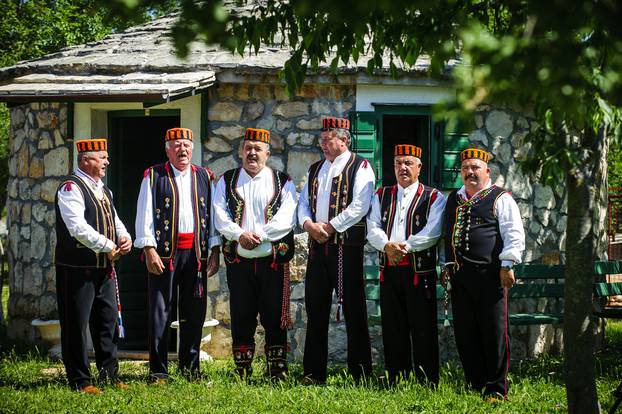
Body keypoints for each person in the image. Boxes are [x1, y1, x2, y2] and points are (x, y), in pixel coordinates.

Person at [134, 127, 220, 383]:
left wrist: (214, 250)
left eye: (186, 145)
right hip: (164, 255)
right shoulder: (153, 176)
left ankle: (191, 369)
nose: (182, 150)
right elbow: (144, 215)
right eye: (176, 145)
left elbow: (212, 219)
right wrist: (148, 249)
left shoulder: (205, 176)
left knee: (194, 312)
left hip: (196, 255)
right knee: (160, 312)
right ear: (167, 150)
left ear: (193, 149)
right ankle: (159, 371)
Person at [213, 128, 297, 380]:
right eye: (247, 148)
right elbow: (219, 214)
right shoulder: (226, 180)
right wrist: (239, 235)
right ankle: (242, 370)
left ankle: (277, 371)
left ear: (267, 153)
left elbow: (287, 217)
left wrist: (258, 234)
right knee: (241, 315)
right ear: (240, 152)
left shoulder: (284, 181)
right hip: (239, 261)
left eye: (257, 149)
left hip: (272, 261)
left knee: (274, 316)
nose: (252, 153)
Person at [442, 147, 525, 401]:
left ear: (487, 171)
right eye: (465, 168)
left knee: (494, 332)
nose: (470, 172)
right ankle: (475, 382)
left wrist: (508, 264)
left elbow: (514, 233)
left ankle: (496, 387)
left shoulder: (501, 198)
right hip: (459, 277)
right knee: (466, 332)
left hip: (490, 276)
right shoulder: (453, 199)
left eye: (475, 167)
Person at [298, 116, 375, 384]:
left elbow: (360, 206)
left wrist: (330, 227)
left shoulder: (361, 166)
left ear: (343, 140)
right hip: (317, 248)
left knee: (354, 311)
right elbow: (302, 203)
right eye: (321, 139)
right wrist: (308, 225)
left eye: (327, 139)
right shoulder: (315, 168)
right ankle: (313, 373)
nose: (323, 144)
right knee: (315, 309)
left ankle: (361, 374)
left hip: (345, 248)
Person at [55, 138, 132, 394]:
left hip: (104, 269)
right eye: (102, 157)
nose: (107, 162)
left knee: (107, 321)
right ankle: (80, 380)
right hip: (77, 269)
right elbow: (77, 228)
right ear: (86, 159)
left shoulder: (103, 189)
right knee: (76, 324)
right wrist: (108, 245)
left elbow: (115, 218)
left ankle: (109, 374)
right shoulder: (70, 188)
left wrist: (124, 237)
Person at [367, 144, 446, 385]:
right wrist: (387, 246)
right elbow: (372, 227)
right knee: (393, 327)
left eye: (408, 163)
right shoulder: (381, 195)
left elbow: (433, 231)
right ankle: (396, 378)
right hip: (389, 271)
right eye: (398, 163)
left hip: (418, 272)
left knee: (423, 328)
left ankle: (427, 380)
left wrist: (406, 248)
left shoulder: (434, 196)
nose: (403, 168)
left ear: (419, 167)